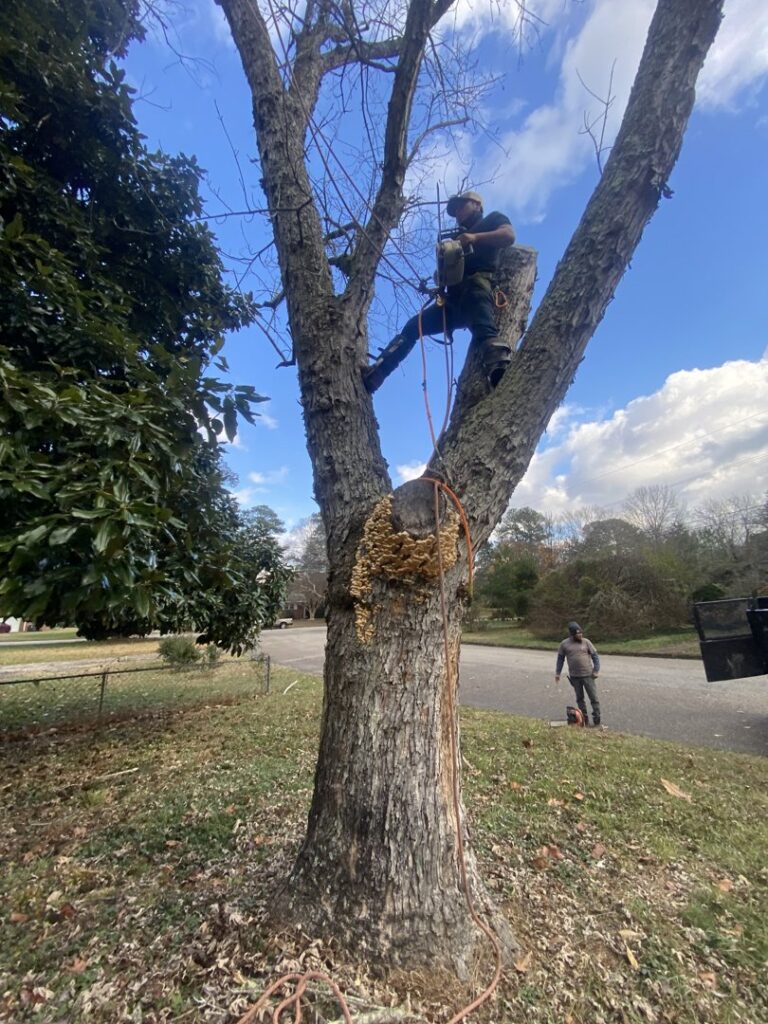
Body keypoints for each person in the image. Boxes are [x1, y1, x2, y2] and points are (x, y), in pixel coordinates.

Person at [363, 191, 515, 393]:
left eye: (462, 206)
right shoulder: (453, 238)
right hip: (451, 302)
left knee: (484, 329)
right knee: (413, 326)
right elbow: (444, 271)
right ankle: (378, 373)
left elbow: (508, 235)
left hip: (476, 289)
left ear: (477, 204)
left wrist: (475, 237)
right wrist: (439, 277)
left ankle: (499, 372)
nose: (458, 212)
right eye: (455, 210)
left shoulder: (492, 220)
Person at [555, 621, 601, 727]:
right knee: (580, 699)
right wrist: (558, 673)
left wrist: (596, 670)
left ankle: (597, 718)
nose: (580, 635)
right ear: (572, 634)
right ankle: (584, 719)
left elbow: (595, 657)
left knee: (594, 698)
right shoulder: (564, 644)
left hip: (588, 675)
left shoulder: (586, 642)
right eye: (577, 634)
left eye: (581, 633)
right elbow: (560, 659)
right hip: (575, 677)